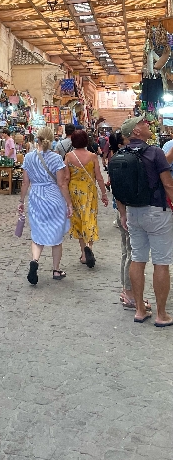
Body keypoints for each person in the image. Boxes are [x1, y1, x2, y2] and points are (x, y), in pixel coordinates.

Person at [112, 116, 173, 326]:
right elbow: (168, 185)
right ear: (136, 131)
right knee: (161, 262)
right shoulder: (155, 152)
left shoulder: (119, 154)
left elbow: (117, 190)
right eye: (143, 124)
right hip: (156, 212)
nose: (147, 125)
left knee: (137, 258)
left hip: (132, 213)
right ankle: (161, 314)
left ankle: (139, 310)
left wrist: (122, 214)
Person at [18, 126, 73, 285]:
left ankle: (35, 261)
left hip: (36, 197)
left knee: (37, 233)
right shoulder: (56, 159)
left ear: (37, 139)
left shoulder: (28, 157)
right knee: (57, 236)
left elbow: (25, 182)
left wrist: (21, 201)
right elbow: (62, 184)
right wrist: (69, 203)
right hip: (53, 197)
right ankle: (56, 270)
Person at [65, 130, 108, 268]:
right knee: (90, 218)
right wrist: (104, 194)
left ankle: (84, 254)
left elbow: (66, 178)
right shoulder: (93, 156)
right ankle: (89, 246)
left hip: (74, 191)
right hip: (89, 191)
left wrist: (64, 196)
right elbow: (99, 177)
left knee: (78, 221)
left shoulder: (69, 156)